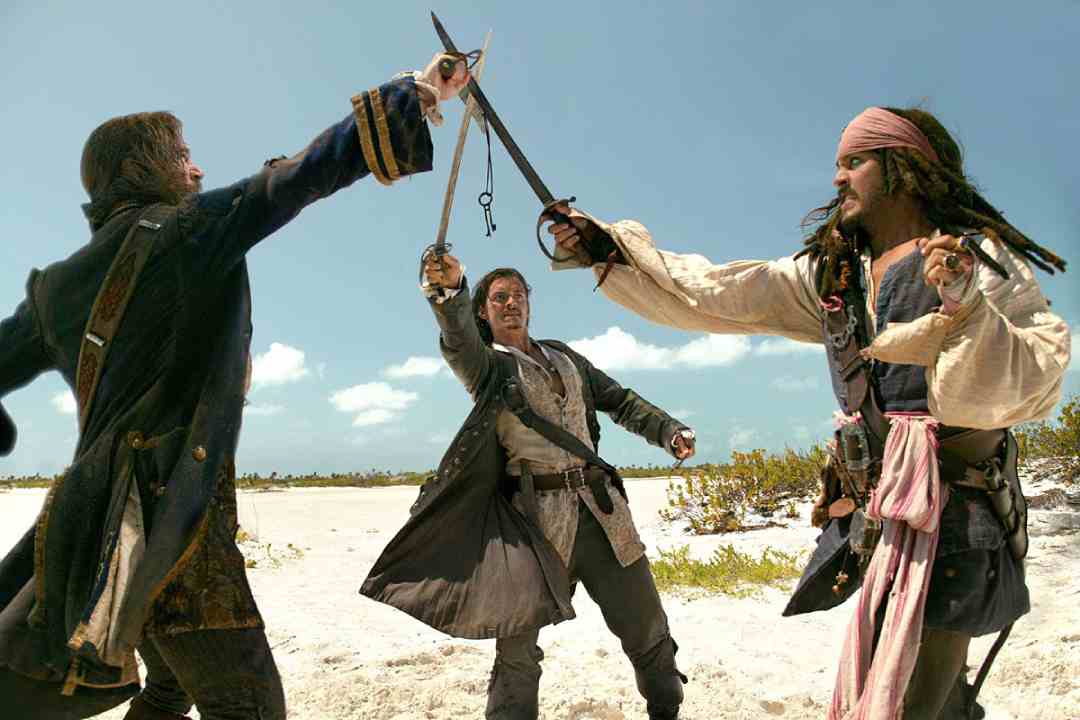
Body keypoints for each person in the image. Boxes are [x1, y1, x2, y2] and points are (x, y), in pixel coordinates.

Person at [546, 106, 1070, 718]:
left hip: (956, 514)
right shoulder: (834, 273)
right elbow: (720, 293)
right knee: (927, 692)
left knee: (908, 701)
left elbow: (1039, 373)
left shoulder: (975, 257)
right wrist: (607, 247)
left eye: (854, 162)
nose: (837, 179)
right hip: (881, 514)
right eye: (837, 165)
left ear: (904, 168)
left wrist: (965, 305)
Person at [0, 53, 469, 720]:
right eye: (184, 155)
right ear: (147, 167)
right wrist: (417, 93)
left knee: (166, 689)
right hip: (165, 523)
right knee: (249, 709)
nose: (196, 169)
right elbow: (298, 177)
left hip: (94, 520)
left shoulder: (54, 290)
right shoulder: (186, 230)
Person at [361, 253, 695, 720]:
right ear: (484, 310)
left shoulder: (566, 357)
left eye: (518, 295)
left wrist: (668, 431)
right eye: (500, 297)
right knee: (516, 651)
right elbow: (458, 340)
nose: (511, 303)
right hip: (532, 524)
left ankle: (667, 708)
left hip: (603, 516)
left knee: (646, 627)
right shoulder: (486, 366)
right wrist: (450, 291)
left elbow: (619, 401)